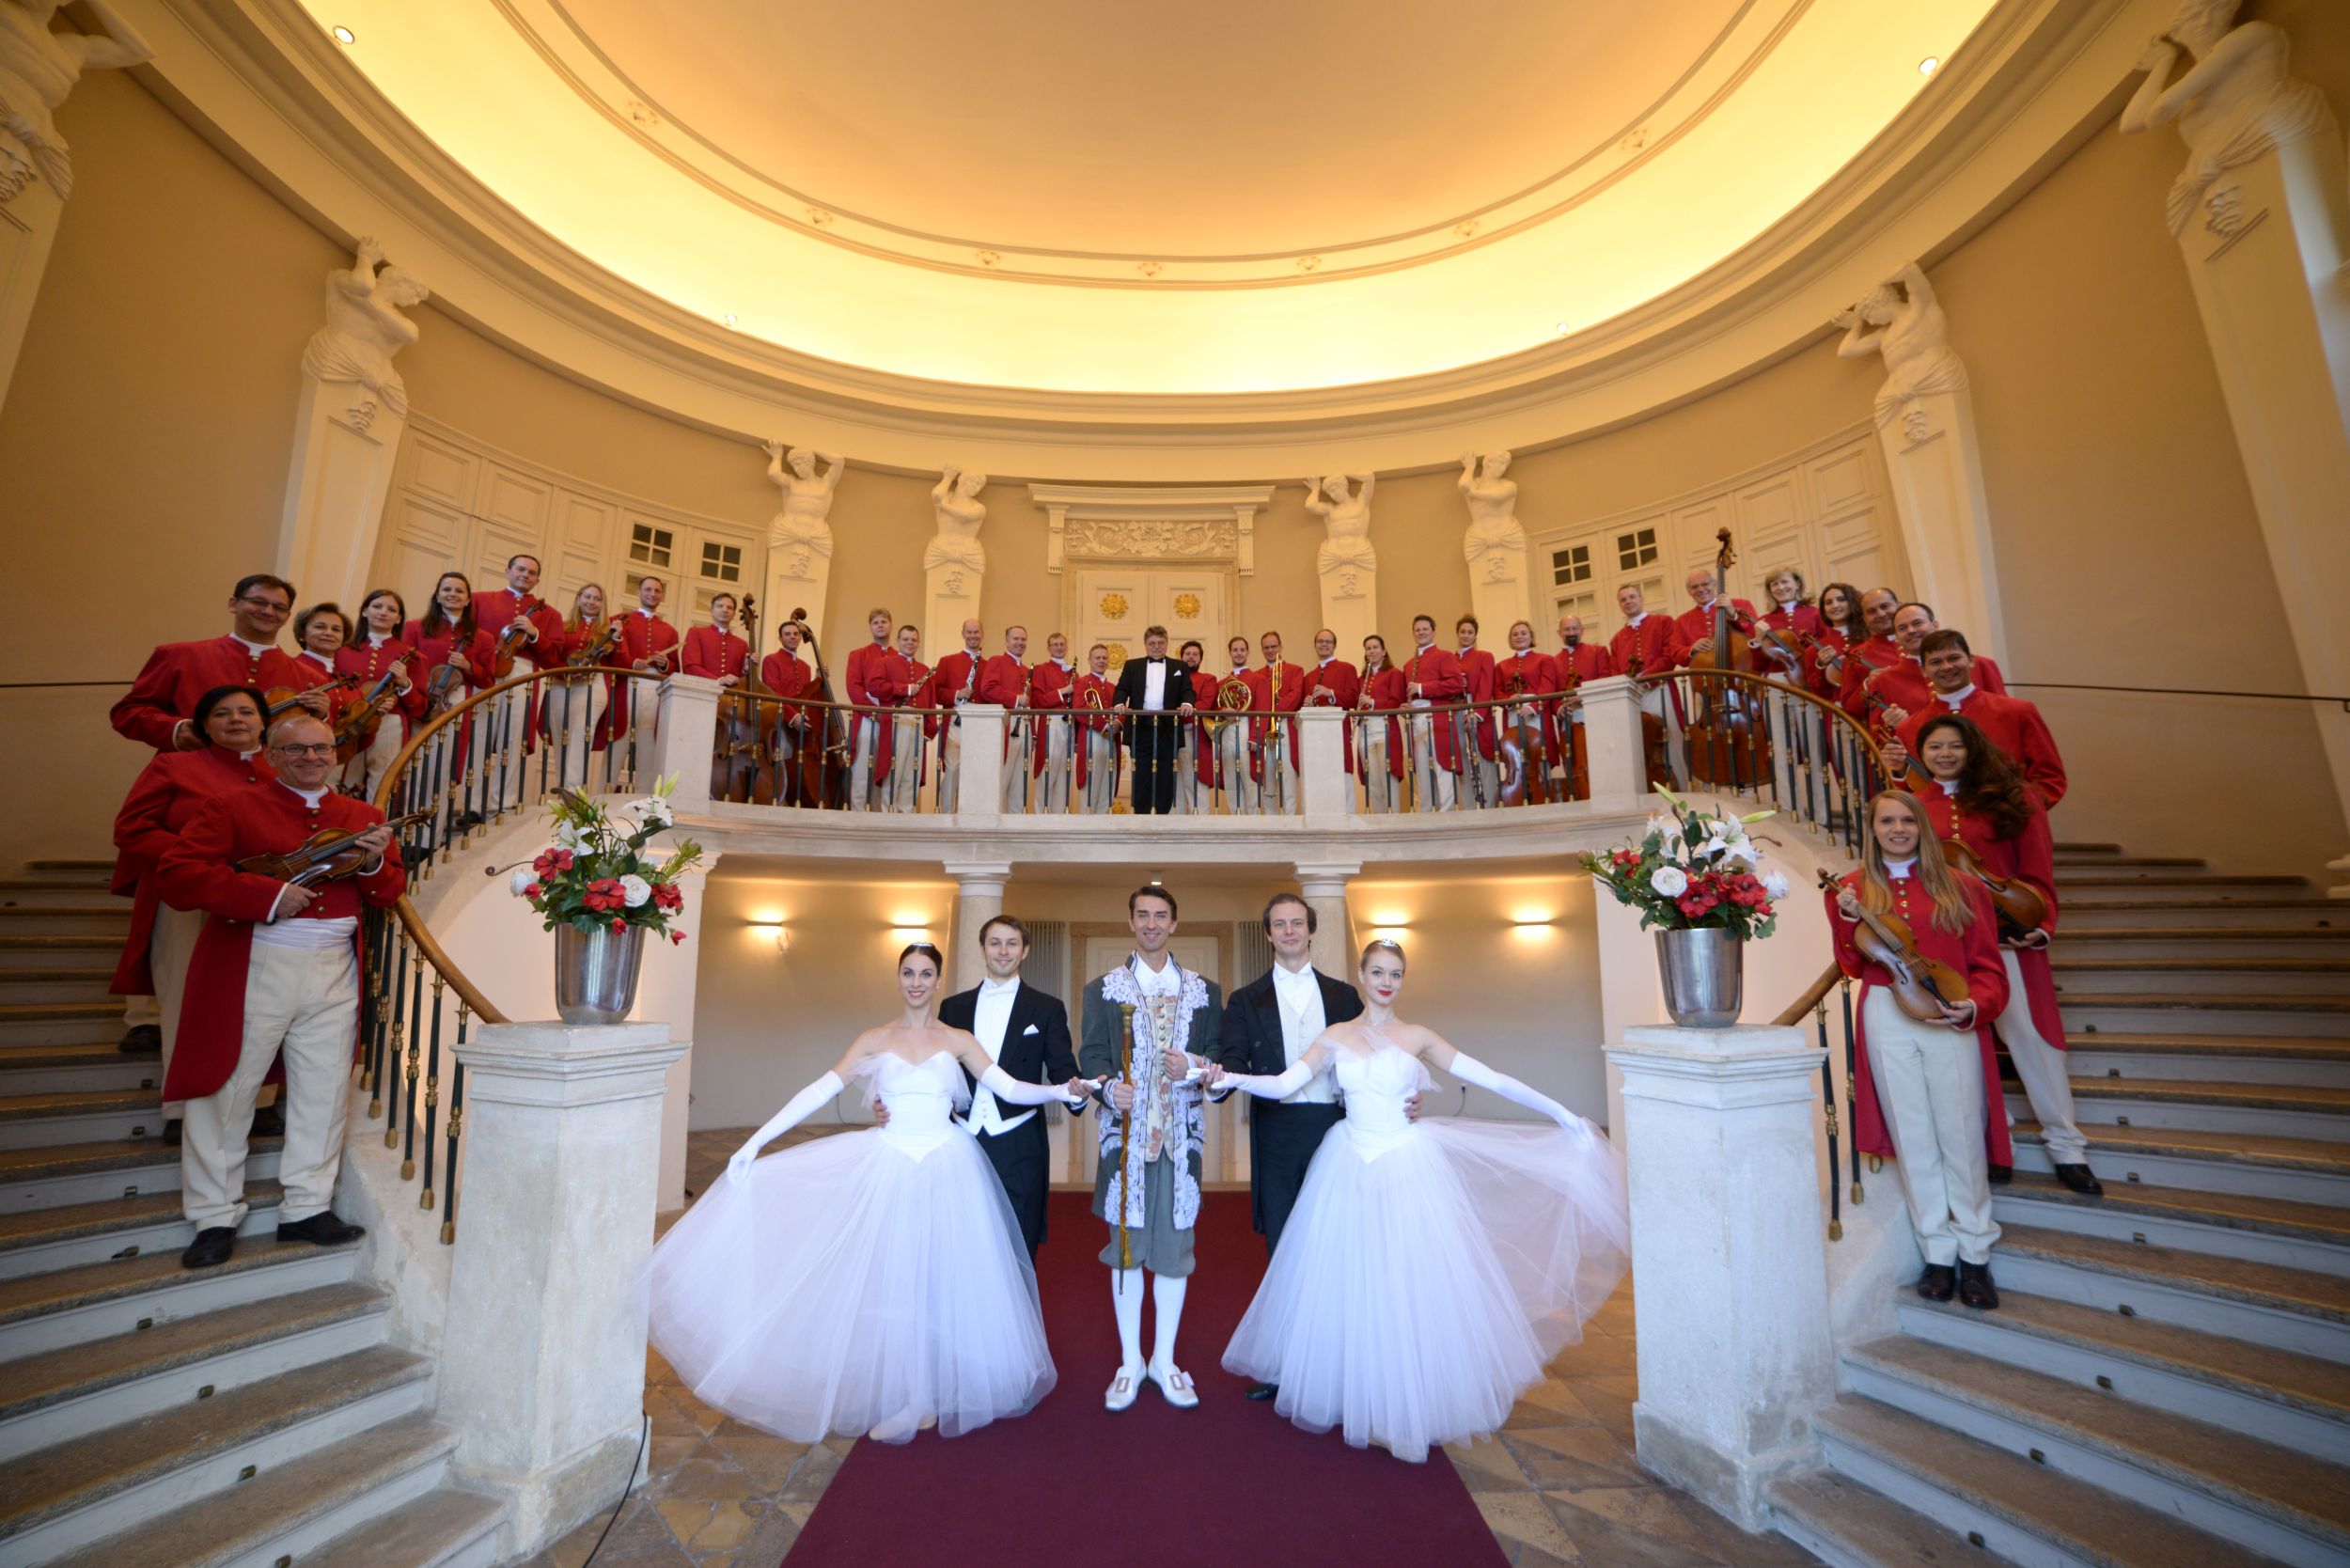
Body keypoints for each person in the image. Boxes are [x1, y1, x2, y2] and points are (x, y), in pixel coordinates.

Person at [640, 945, 1084, 1442]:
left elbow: (1009, 1087)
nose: (916, 982)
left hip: (948, 1166)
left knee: (941, 1281)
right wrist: (755, 1141)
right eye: (908, 973)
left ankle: (931, 1390)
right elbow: (821, 1089)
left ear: (938, 980)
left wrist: (1059, 1091)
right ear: (898, 979)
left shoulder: (958, 1039)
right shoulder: (874, 1039)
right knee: (897, 1282)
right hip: (891, 1165)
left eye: (926, 974)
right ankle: (912, 1396)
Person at [1212, 939, 1628, 1461]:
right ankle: (1349, 1387)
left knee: (1403, 1279)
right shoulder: (1335, 1036)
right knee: (1348, 1278)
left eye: (1396, 974)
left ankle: (1402, 1398)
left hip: (1405, 1164)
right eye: (1378, 972)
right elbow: (1281, 1084)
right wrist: (1221, 1076)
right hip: (1348, 1162)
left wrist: (1561, 1114)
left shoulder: (1418, 1036)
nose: (1386, 982)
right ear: (1362, 976)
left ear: (1402, 980)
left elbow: (1489, 1077)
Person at [156, 713, 403, 1269]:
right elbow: (178, 874)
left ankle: (306, 1208)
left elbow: (388, 892)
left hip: (334, 966)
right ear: (270, 754)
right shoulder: (231, 807)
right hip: (256, 960)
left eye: (321, 748)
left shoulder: (363, 816)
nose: (312, 758)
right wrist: (266, 896)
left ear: (335, 753)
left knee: (323, 1090)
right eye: (296, 749)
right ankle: (214, 1215)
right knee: (226, 1090)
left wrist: (371, 863)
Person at [1891, 713, 2102, 1195]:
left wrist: (2043, 923)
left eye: (1954, 745)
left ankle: (2067, 1147)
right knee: (1972, 1048)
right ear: (1921, 755)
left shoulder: (2016, 796)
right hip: (1952, 945)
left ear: (1973, 748)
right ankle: (1998, 1145)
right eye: (1934, 747)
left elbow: (2038, 867)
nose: (1945, 754)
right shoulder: (1915, 806)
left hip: (2009, 938)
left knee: (2033, 1041)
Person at [1826, 791, 2010, 1310]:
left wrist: (1975, 1005)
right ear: (1872, 828)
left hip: (1949, 1010)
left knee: (1960, 1135)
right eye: (1887, 820)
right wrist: (1846, 918)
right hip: (1886, 1013)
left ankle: (1976, 1254)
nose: (1898, 828)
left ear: (1922, 826)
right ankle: (1938, 1254)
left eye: (1908, 819)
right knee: (1913, 1137)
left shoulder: (1963, 886)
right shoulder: (1851, 888)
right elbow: (1852, 965)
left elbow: (1989, 967)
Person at [1214, 895, 1368, 1402]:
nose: (1288, 931)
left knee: (1337, 1246)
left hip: (1335, 1130)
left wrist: (1403, 1097)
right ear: (1268, 934)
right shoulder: (1245, 999)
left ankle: (1339, 1362)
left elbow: (1373, 1058)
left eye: (1297, 923)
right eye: (1279, 924)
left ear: (1311, 930)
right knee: (1284, 1249)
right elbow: (1233, 1062)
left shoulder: (1344, 996)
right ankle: (1284, 1366)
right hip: (1277, 1131)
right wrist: (1216, 1079)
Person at [1078, 886, 1224, 1411]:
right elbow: (1092, 1056)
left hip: (1180, 1143)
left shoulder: (1204, 990)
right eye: (1142, 915)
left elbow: (1219, 1059)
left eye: (1161, 916)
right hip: (1126, 1143)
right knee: (1125, 1252)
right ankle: (1129, 1361)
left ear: (1174, 924)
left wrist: (1197, 1066)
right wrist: (1105, 1087)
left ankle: (1163, 1360)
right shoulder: (1103, 989)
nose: (1151, 924)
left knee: (1174, 1252)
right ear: (1131, 922)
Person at [110, 684, 274, 1141]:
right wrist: (197, 859)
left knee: (262, 1003)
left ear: (264, 722)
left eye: (246, 711)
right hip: (188, 898)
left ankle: (260, 1104)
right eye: (222, 713)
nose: (236, 719)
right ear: (203, 725)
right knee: (186, 1000)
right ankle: (183, 1109)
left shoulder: (282, 770)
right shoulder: (173, 765)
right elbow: (132, 828)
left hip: (263, 900)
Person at [938, 917, 1082, 1261]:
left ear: (1025, 950)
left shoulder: (1047, 1008)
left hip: (1019, 1142)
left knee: (1019, 1242)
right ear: (983, 949)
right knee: (959, 1239)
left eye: (1012, 943)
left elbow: (1061, 1067)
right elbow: (937, 1072)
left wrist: (1076, 1092)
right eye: (995, 943)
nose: (1003, 951)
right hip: (962, 1139)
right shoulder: (952, 1008)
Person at [111, 573, 321, 753]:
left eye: (279, 607)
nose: (268, 611)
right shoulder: (179, 655)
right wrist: (175, 729)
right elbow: (127, 713)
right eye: (258, 602)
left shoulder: (310, 678)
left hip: (267, 782)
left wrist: (322, 716)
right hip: (189, 774)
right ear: (233, 604)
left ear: (287, 617)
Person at [1880, 631, 2067, 808]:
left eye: (1954, 658)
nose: (1946, 667)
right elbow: (1914, 792)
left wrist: (2018, 811)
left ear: (1971, 660)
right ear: (1924, 671)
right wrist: (1899, 770)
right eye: (1936, 662)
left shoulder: (2018, 711)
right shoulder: (1909, 728)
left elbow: (2050, 779)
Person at [474, 554, 563, 811]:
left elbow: (554, 658)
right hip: (486, 671)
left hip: (523, 673)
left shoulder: (550, 614)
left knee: (513, 739)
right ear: (508, 570)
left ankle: (502, 803)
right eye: (520, 569)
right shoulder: (481, 600)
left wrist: (535, 634)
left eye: (532, 572)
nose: (525, 575)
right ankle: (473, 805)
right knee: (479, 735)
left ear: (537, 580)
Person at [335, 588, 423, 801]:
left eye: (391, 609)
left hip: (390, 723)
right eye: (377, 606)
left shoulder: (413, 656)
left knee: (383, 782)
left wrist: (405, 683)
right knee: (344, 778)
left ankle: (379, 821)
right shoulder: (342, 651)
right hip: (349, 723)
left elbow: (420, 707)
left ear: (399, 618)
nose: (383, 612)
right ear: (365, 611)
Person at [1112, 624, 1195, 815]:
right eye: (1152, 643)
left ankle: (1162, 817)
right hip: (1141, 727)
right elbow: (1122, 688)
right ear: (1145, 644)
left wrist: (1187, 703)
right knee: (1141, 774)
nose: (1156, 646)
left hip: (1168, 728)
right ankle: (1141, 818)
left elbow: (1188, 690)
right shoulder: (1132, 665)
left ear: (1167, 644)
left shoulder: (1180, 666)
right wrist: (1119, 703)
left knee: (1166, 774)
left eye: (1160, 643)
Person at [1607, 585, 1682, 787]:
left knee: (1673, 742)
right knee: (1639, 746)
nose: (1628, 602)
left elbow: (1669, 656)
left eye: (1632, 597)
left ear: (1641, 598)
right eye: (1623, 599)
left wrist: (1646, 678)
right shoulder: (1616, 640)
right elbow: (1615, 672)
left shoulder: (1663, 622)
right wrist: (1629, 685)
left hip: (1660, 690)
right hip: (1633, 697)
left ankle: (1683, 789)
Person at [543, 583, 613, 792]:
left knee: (582, 732)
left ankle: (573, 789)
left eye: (597, 599)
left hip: (592, 684)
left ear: (602, 604)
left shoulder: (608, 631)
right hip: (560, 683)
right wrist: (563, 671)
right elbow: (551, 656)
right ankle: (562, 787)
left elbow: (620, 660)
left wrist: (616, 638)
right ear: (579, 598)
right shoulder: (563, 626)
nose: (592, 602)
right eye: (587, 596)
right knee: (560, 735)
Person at [615, 575, 681, 782]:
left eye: (657, 591)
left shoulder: (670, 631)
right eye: (648, 589)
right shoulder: (621, 620)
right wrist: (631, 662)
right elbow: (612, 653)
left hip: (655, 688)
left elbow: (675, 667)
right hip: (626, 683)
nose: (652, 594)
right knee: (617, 741)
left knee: (649, 746)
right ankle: (604, 793)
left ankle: (647, 797)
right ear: (638, 593)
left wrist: (664, 663)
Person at [1402, 614, 1466, 811]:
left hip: (1437, 718)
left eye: (1425, 629)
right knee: (1422, 771)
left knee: (1442, 767)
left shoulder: (1444, 656)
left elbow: (1456, 684)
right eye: (1417, 630)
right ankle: (1426, 814)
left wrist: (1422, 688)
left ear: (1433, 632)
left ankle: (1447, 813)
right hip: (1416, 720)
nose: (1421, 633)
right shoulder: (1408, 664)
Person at [1494, 619, 1558, 803]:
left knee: (1539, 757)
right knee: (1515, 757)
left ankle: (1543, 797)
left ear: (1531, 637)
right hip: (1513, 713)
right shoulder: (1502, 666)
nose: (1519, 636)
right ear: (1510, 639)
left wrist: (1532, 706)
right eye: (1515, 634)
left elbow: (1547, 687)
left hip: (1536, 712)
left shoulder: (1544, 659)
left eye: (1523, 633)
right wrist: (1508, 700)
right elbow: (1497, 690)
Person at [1552, 614, 1614, 800]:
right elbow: (1551, 691)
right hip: (1568, 719)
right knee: (1571, 763)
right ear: (1559, 632)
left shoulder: (1598, 651)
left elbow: (1605, 677)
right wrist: (1559, 708)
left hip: (1593, 713)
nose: (1571, 632)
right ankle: (1578, 798)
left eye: (1574, 628)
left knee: (1600, 760)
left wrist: (1583, 695)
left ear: (1582, 630)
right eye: (1567, 629)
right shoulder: (1553, 661)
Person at [842, 607, 895, 811]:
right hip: (866, 716)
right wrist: (874, 712)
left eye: (884, 621)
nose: (880, 625)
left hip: (891, 717)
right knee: (862, 768)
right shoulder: (858, 655)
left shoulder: (898, 656)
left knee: (887, 768)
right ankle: (858, 815)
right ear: (870, 627)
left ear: (891, 625)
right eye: (875, 622)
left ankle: (881, 815)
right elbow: (853, 688)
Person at [931, 619, 985, 812]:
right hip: (955, 721)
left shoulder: (988, 665)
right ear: (963, 634)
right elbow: (936, 692)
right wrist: (957, 694)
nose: (973, 636)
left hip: (979, 724)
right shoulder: (947, 661)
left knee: (973, 772)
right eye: (969, 632)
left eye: (976, 632)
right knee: (953, 769)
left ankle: (967, 814)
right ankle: (946, 814)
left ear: (982, 634)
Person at [978, 625, 1033, 812]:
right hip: (1006, 725)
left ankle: (1015, 823)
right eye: (1015, 639)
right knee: (1003, 777)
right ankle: (995, 820)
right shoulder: (997, 661)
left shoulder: (1026, 669)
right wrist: (1016, 699)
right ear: (1007, 642)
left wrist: (1033, 734)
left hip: (1024, 726)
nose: (1020, 642)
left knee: (1020, 781)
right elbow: (987, 689)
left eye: (1023, 639)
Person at [760, 618, 816, 804]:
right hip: (781, 720)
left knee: (795, 764)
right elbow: (773, 693)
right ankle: (776, 800)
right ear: (780, 638)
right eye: (787, 634)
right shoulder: (771, 660)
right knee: (779, 763)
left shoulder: (805, 666)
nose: (793, 637)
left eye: (796, 634)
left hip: (801, 723)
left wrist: (820, 680)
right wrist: (793, 716)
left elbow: (806, 696)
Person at [1355, 635, 1406, 813]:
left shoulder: (1394, 673)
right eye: (1368, 648)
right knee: (1373, 781)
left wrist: (1372, 702)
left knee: (1387, 778)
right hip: (1365, 731)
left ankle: (1392, 820)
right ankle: (1378, 820)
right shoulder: (1362, 679)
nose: (1372, 651)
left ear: (1384, 651)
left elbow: (1395, 702)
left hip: (1384, 729)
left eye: (1375, 647)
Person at [1453, 617, 1500, 807]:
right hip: (1455, 711)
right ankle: (1469, 808)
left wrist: (1476, 713)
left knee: (1483, 760)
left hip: (1478, 712)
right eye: (1463, 632)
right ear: (1457, 633)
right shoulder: (1450, 659)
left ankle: (1490, 807)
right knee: (1462, 761)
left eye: (1470, 632)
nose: (1466, 635)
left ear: (1475, 636)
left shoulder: (1484, 656)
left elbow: (1486, 686)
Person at [1028, 631, 1077, 813]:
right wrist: (1064, 691)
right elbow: (1037, 701)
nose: (1059, 647)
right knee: (1047, 770)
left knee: (1065, 773)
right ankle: (1041, 817)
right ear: (1048, 648)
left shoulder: (1073, 672)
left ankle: (1060, 818)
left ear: (1067, 647)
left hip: (1069, 724)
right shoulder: (1041, 669)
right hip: (1051, 722)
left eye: (1062, 644)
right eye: (1055, 644)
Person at [884, 623, 930, 813]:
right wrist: (905, 689)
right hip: (898, 718)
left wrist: (930, 730)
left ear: (918, 643)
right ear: (898, 641)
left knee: (912, 770)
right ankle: (888, 812)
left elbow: (930, 701)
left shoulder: (924, 669)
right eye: (905, 639)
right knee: (894, 767)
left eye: (914, 640)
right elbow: (876, 687)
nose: (910, 643)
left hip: (918, 721)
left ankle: (906, 813)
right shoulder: (885, 663)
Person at [1305, 628, 1361, 781]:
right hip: (1315, 734)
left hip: (1338, 731)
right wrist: (1307, 704)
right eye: (1320, 641)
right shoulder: (1309, 676)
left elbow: (1354, 700)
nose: (1324, 644)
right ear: (1315, 645)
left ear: (1334, 646)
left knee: (1341, 776)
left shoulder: (1347, 669)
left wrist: (1331, 693)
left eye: (1328, 641)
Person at [1211, 636, 1258, 814]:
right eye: (1235, 650)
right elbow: (1214, 708)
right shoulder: (1222, 684)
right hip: (1226, 731)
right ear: (1230, 653)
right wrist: (1223, 710)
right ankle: (1235, 817)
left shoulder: (1258, 679)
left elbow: (1261, 709)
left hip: (1245, 729)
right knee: (1231, 778)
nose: (1239, 653)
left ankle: (1253, 820)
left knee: (1249, 778)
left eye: (1242, 650)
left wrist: (1255, 737)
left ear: (1248, 652)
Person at [1074, 644, 1120, 813]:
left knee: (1108, 782)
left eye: (1104, 658)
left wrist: (1118, 723)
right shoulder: (1082, 682)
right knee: (1091, 783)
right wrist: (1104, 725)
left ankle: (1103, 824)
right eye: (1097, 658)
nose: (1101, 661)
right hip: (1091, 736)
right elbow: (1079, 709)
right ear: (1089, 660)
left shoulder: (1113, 687)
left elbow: (1121, 709)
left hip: (1111, 738)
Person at [1175, 640, 1210, 813]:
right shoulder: (1172, 678)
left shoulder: (1207, 679)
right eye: (1187, 654)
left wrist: (1183, 712)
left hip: (1191, 734)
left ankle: (1200, 821)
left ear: (1201, 658)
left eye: (1195, 654)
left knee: (1193, 780)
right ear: (1181, 657)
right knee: (1174, 782)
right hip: (1171, 734)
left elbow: (1206, 704)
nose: (1191, 657)